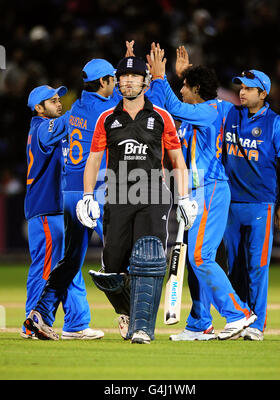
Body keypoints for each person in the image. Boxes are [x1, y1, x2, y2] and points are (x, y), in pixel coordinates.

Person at [77, 55, 198, 344]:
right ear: (117, 82)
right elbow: (93, 160)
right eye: (123, 77)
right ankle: (128, 311)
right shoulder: (107, 119)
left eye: (134, 76)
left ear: (144, 81)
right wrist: (87, 196)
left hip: (154, 194)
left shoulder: (162, 117)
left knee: (150, 258)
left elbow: (177, 160)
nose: (128, 81)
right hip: (118, 194)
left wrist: (184, 198)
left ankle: (143, 326)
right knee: (112, 266)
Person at [147, 44, 257, 341]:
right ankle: (200, 322)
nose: (180, 89)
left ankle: (239, 313)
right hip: (192, 192)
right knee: (196, 261)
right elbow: (166, 107)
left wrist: (160, 78)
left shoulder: (209, 111)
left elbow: (177, 106)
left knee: (199, 255)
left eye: (184, 85)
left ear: (196, 90)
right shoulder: (206, 109)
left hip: (209, 190)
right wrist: (184, 75)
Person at [23, 85, 99, 340]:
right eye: (52, 100)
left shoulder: (53, 131)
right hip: (45, 209)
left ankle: (76, 324)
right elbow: (68, 121)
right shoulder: (40, 128)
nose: (59, 103)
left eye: (59, 99)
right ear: (38, 108)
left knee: (69, 265)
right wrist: (83, 104)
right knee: (45, 268)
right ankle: (31, 323)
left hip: (57, 208)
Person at [222, 70, 280, 341]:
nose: (242, 92)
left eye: (249, 88)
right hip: (230, 203)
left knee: (257, 266)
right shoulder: (230, 114)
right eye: (240, 87)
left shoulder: (277, 124)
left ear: (263, 94)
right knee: (233, 266)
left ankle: (257, 324)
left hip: (261, 204)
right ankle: (240, 319)